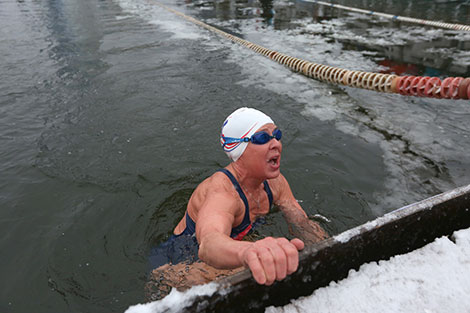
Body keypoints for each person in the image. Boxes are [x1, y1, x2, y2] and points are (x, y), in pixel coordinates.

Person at [149, 107, 328, 286]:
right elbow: (209, 244)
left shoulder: (276, 183)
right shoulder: (222, 193)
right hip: (180, 261)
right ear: (238, 149)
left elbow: (302, 224)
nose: (276, 144)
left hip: (234, 245)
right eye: (263, 138)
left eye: (277, 135)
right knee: (263, 270)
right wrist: (250, 252)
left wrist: (326, 251)